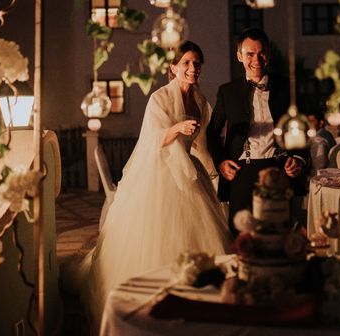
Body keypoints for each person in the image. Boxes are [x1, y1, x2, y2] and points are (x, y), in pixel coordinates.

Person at [81, 41, 231, 329]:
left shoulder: (200, 100)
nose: (192, 68)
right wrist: (177, 128)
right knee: (158, 233)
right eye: (186, 62)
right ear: (173, 67)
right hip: (161, 171)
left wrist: (215, 168)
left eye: (197, 63)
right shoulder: (159, 99)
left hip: (189, 168)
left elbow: (202, 144)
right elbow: (152, 140)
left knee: (203, 226)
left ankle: (199, 295)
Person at [207, 28, 306, 235]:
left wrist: (298, 157)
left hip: (279, 169)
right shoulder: (227, 91)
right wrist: (221, 161)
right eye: (250, 54)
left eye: (261, 53)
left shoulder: (286, 87)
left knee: (280, 235)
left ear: (268, 54)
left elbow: (302, 127)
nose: (256, 59)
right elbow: (213, 133)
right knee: (242, 236)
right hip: (242, 171)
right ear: (239, 56)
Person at [306, 110, 336, 178]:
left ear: (321, 123)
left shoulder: (318, 141)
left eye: (311, 121)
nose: (308, 124)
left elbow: (319, 166)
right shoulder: (327, 134)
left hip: (323, 177)